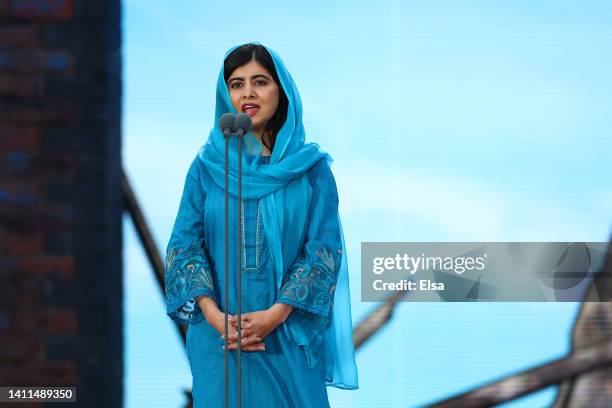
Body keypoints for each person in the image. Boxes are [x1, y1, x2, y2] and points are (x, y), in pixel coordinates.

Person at [164, 42, 358, 408]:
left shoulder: (311, 170)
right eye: (236, 84)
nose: (248, 93)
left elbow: (323, 252)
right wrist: (213, 315)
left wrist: (275, 314)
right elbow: (184, 245)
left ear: (280, 91)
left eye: (260, 82)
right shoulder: (207, 168)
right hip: (219, 338)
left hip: (287, 334)